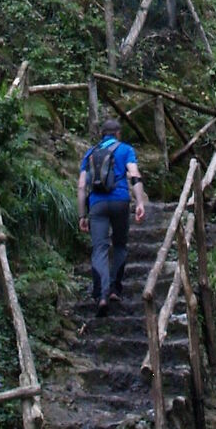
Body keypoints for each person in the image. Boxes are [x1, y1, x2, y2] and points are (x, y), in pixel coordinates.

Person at [78, 125, 149, 308]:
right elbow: (134, 174)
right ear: (118, 133)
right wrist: (140, 202)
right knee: (119, 245)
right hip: (120, 201)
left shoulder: (91, 153)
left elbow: (81, 186)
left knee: (99, 248)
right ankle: (115, 290)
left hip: (97, 204)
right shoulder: (125, 149)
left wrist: (82, 215)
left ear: (101, 135)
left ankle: (101, 294)